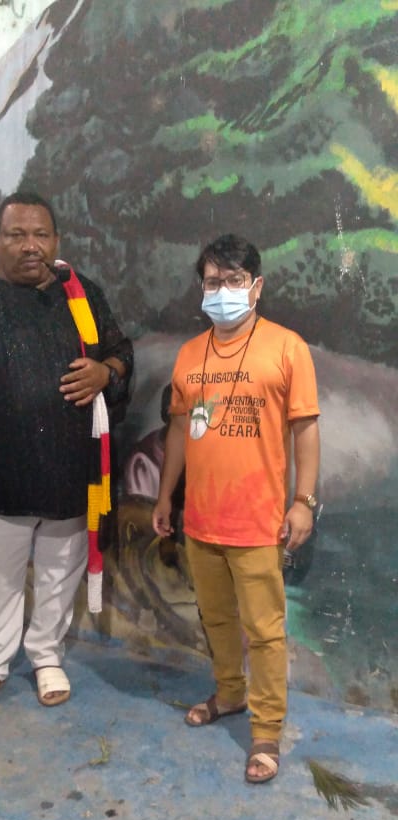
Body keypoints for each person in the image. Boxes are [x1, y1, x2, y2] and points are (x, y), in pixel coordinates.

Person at [0, 191, 133, 718]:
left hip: (72, 473)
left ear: (56, 241)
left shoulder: (82, 294)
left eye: (40, 235)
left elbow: (120, 352)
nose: (30, 245)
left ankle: (46, 655)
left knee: (61, 573)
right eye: (16, 235)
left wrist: (105, 373)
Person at [152, 234, 320, 784]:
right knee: (217, 617)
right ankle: (229, 694)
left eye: (233, 280)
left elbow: (305, 430)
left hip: (259, 522)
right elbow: (180, 429)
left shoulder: (287, 348)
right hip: (201, 520)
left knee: (265, 631)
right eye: (212, 281)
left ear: (256, 286)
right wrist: (165, 495)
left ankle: (266, 730)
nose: (221, 290)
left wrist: (303, 502)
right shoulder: (189, 354)